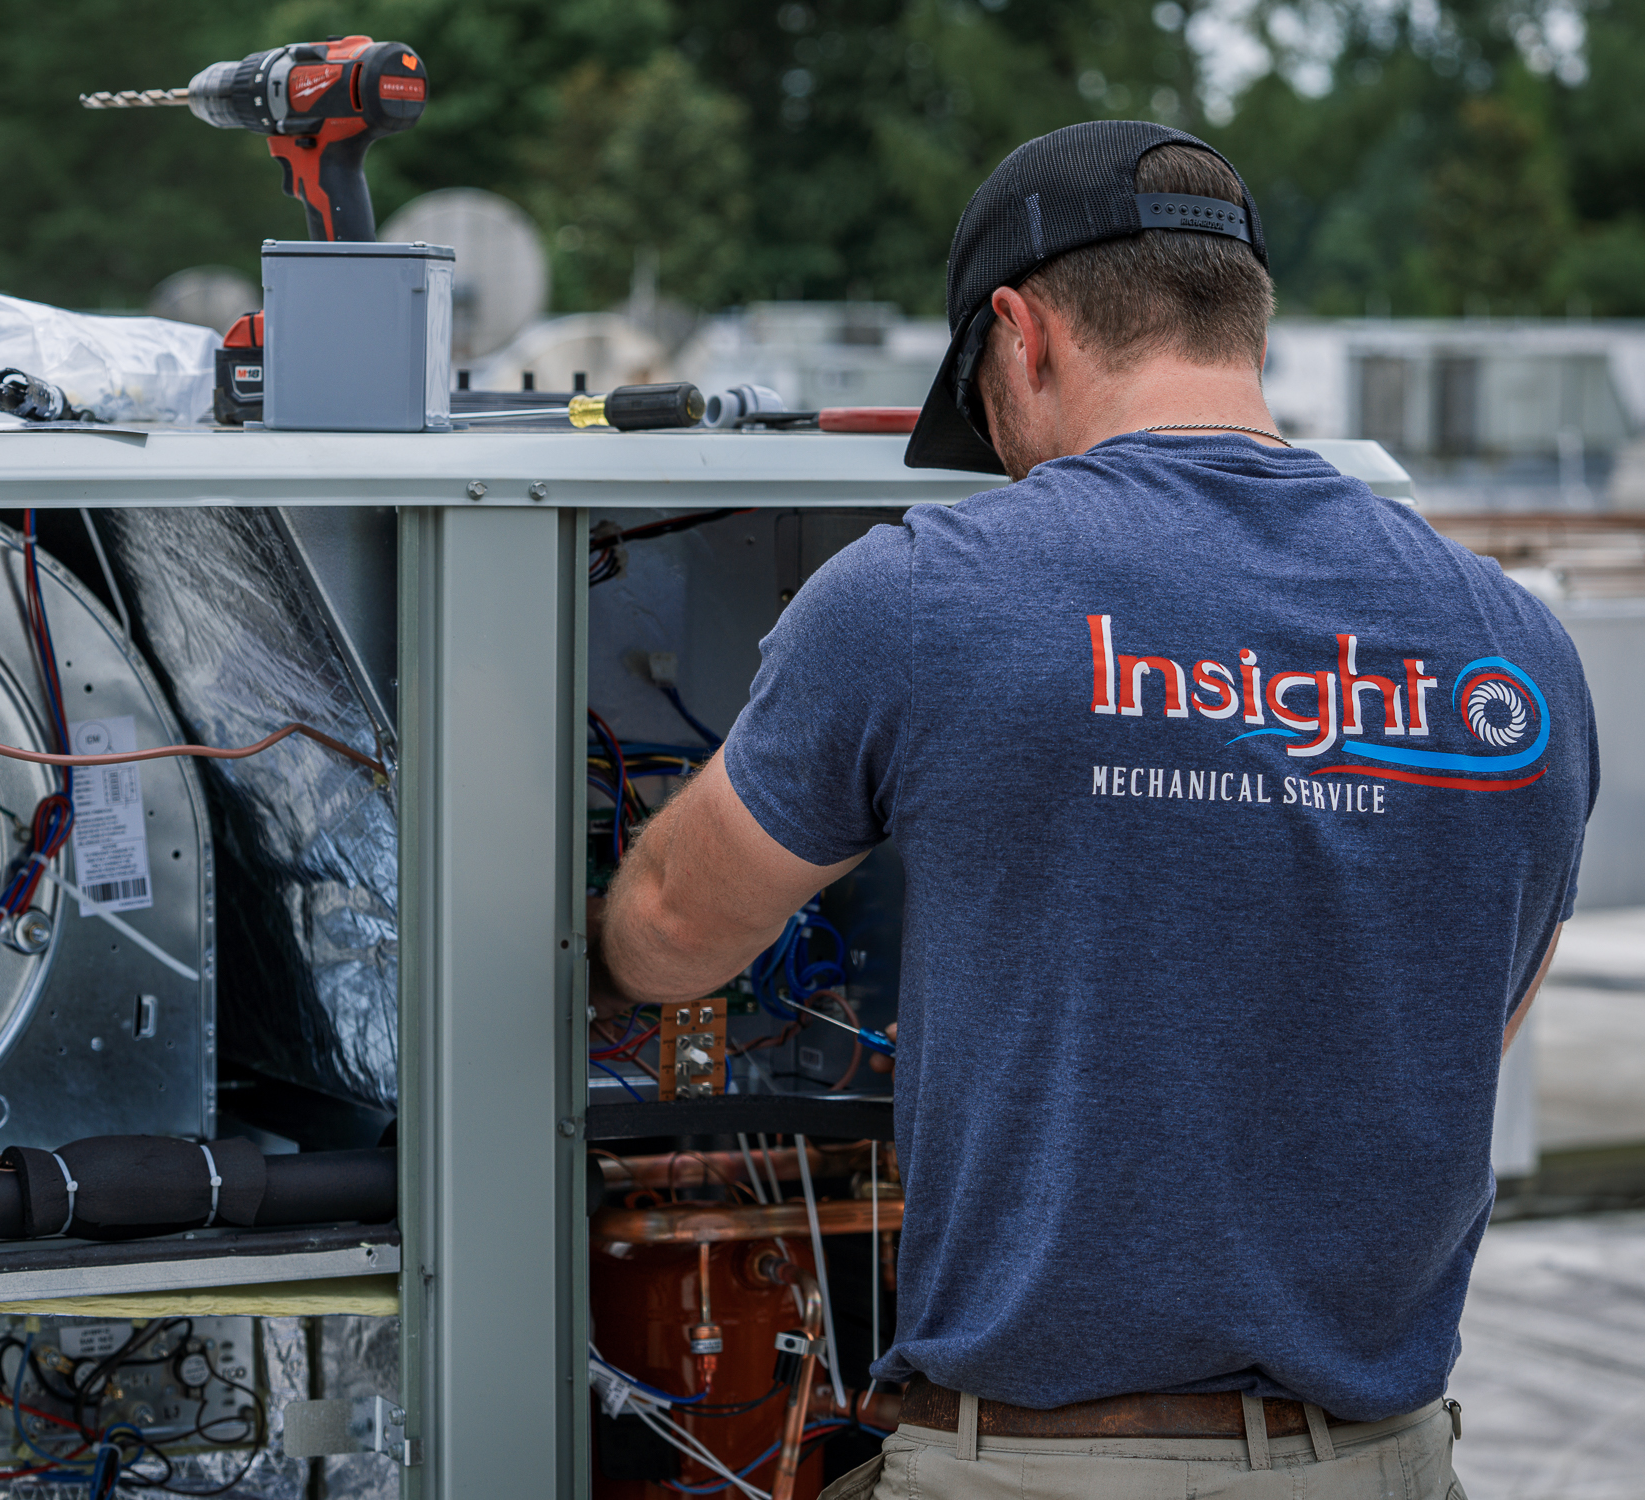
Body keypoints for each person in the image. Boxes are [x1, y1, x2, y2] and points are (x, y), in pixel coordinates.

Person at [591, 120, 1597, 1500]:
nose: (1003, 456)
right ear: (1243, 322)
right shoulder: (1517, 649)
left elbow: (665, 939)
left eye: (987, 411)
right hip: (1386, 1463)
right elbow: (1466, 1023)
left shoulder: (927, 596)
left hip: (1043, 1470)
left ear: (1021, 335)